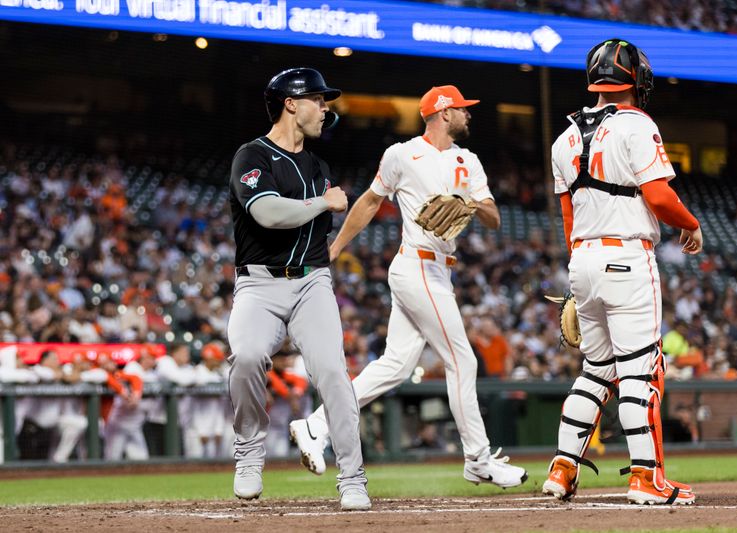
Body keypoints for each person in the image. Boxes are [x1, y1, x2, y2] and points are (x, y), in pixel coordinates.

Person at [289, 85, 528, 489]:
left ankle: (315, 426)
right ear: (442, 112)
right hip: (414, 266)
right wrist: (333, 249)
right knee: (462, 361)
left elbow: (493, 219)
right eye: (462, 109)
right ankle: (478, 459)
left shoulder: (468, 160)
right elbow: (367, 202)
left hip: (440, 271)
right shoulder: (402, 154)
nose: (468, 114)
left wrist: (469, 203)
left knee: (395, 366)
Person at [542, 38, 702, 505]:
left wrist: (579, 270)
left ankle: (562, 468)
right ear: (635, 78)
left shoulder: (564, 136)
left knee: (595, 372)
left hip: (582, 259)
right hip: (627, 257)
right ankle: (645, 478)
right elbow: (658, 197)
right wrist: (691, 225)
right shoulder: (637, 124)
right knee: (641, 373)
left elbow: (570, 220)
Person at [226, 67, 369, 510]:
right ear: (291, 103)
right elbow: (268, 213)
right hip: (259, 283)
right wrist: (324, 202)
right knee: (247, 357)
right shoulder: (251, 156)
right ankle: (249, 453)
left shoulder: (319, 165)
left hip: (311, 281)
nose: (325, 109)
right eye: (318, 100)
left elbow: (314, 232)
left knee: (332, 372)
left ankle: (353, 477)